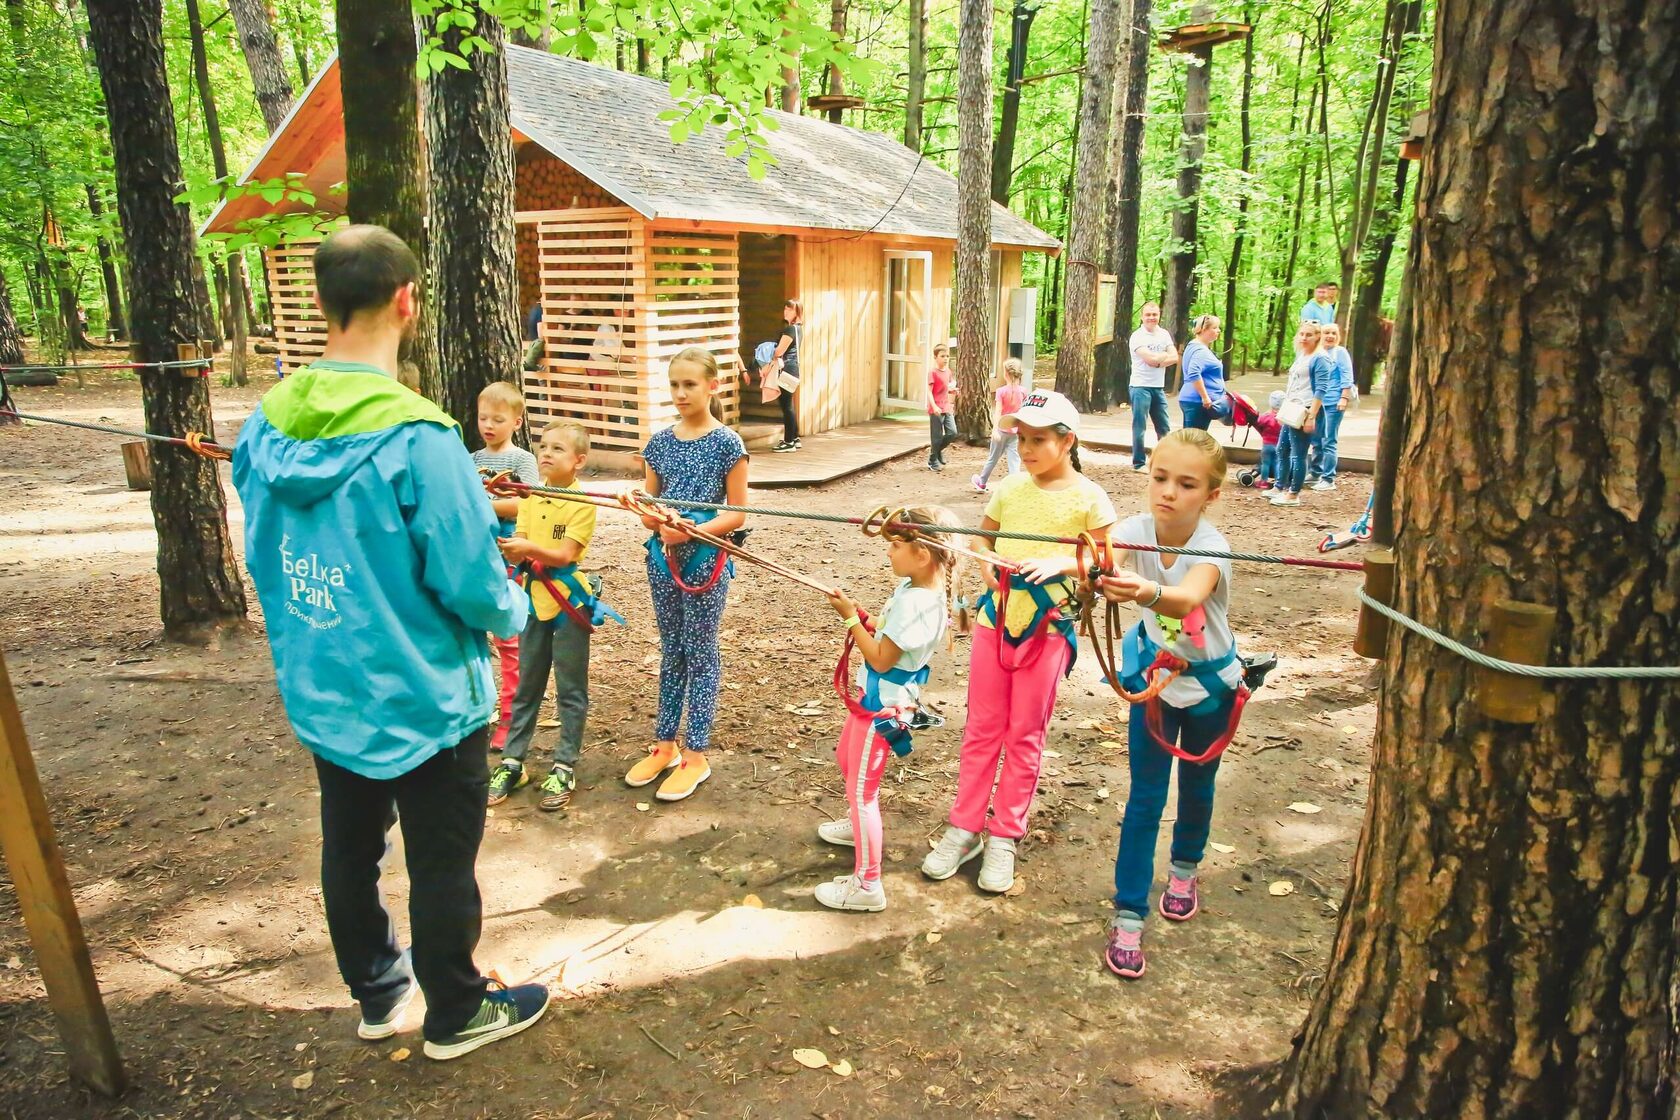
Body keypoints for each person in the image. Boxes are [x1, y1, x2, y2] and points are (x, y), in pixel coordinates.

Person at [232, 225, 548, 1061]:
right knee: (443, 859)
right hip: (428, 695)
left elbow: (267, 547)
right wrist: (512, 611)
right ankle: (454, 1009)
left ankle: (376, 994)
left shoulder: (265, 425)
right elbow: (474, 585)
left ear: (323, 302)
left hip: (327, 683)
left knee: (350, 846)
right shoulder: (421, 438)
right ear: (408, 300)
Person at [923, 389, 1116, 893]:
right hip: (996, 621)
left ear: (1067, 441)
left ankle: (1005, 833)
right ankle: (965, 827)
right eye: (1021, 439)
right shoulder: (1010, 488)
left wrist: (1061, 563)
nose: (1026, 449)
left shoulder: (1090, 498)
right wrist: (987, 563)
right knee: (982, 727)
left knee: (1025, 733)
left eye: (1037, 440)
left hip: (1048, 628)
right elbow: (985, 537)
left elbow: (1104, 560)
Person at [1098, 429, 1245, 980]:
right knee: (1144, 799)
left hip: (1210, 687)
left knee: (1198, 788)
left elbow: (1186, 597)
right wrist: (1048, 566)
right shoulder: (1136, 530)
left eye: (1186, 484)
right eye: (1160, 478)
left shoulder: (1213, 545)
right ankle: (1129, 913)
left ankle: (1184, 869)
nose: (1168, 492)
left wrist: (1141, 590)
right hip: (1157, 685)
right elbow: (1096, 557)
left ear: (1210, 495)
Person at [814, 506, 959, 911]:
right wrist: (863, 617)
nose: (889, 553)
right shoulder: (918, 591)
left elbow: (880, 658)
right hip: (874, 703)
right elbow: (889, 633)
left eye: (896, 546)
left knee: (863, 793)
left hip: (883, 710)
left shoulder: (917, 602)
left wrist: (849, 621)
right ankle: (855, 831)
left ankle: (867, 885)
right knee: (848, 761)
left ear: (923, 554)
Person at [625, 347, 750, 802]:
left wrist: (691, 531)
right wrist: (656, 521)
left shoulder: (727, 444)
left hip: (705, 563)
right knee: (671, 648)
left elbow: (736, 513)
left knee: (700, 650)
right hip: (662, 561)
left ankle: (696, 753)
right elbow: (648, 506)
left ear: (712, 386)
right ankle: (665, 743)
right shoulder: (658, 443)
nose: (680, 393)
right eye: (674, 384)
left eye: (690, 384)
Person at [489, 421, 604, 812]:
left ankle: (564, 764)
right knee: (528, 684)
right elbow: (521, 543)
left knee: (571, 688)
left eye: (558, 448)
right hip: (533, 598)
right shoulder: (532, 496)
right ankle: (513, 760)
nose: (547, 453)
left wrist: (527, 549)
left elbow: (567, 555)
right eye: (543, 445)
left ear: (579, 461)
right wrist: (513, 550)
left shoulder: (582, 503)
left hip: (568, 602)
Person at [470, 382, 540, 753]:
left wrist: (483, 505)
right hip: (476, 556)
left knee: (509, 641)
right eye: (484, 418)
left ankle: (511, 718)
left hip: (510, 557)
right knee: (473, 636)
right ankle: (479, 712)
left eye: (498, 419)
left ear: (516, 421)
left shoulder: (521, 461)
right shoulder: (470, 459)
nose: (489, 425)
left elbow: (527, 504)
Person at [1271, 322, 1325, 507]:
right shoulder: (1302, 355)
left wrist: (1312, 416)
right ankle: (1280, 486)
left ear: (1317, 336)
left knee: (1298, 454)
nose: (1304, 338)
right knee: (1282, 449)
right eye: (1301, 334)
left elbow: (1320, 389)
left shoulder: (1320, 358)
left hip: (1306, 409)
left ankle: (1293, 494)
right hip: (1292, 407)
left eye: (1309, 335)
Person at [1127, 302, 1178, 472]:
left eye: (1154, 315)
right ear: (1142, 317)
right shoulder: (1137, 336)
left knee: (1164, 426)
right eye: (1148, 315)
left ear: (1159, 316)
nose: (1151, 318)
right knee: (1140, 426)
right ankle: (1139, 462)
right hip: (1140, 386)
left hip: (1158, 387)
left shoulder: (1163, 334)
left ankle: (1166, 461)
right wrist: (1162, 357)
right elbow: (1150, 359)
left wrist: (1159, 359)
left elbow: (1175, 357)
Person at [1308, 323, 1356, 490]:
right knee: (1316, 439)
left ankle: (1328, 479)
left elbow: (1347, 376)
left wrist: (1344, 398)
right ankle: (1315, 472)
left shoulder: (1340, 352)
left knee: (1329, 439)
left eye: (1334, 333)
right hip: (1318, 402)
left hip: (1333, 401)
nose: (1330, 336)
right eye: (1326, 333)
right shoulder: (1318, 353)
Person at [972, 358, 1025, 493]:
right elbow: (1024, 412)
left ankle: (982, 482)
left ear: (1006, 374)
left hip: (1001, 431)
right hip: (1016, 432)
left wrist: (994, 429)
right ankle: (1014, 486)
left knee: (993, 458)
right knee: (1014, 460)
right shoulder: (1024, 392)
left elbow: (998, 412)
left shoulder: (1001, 391)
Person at [1177, 315, 1230, 430]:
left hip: (1193, 400)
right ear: (1203, 329)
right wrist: (1205, 397)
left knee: (1192, 439)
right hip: (1197, 402)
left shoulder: (1194, 346)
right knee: (1194, 442)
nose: (1218, 330)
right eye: (1215, 328)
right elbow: (1193, 373)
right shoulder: (1200, 350)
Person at [766, 298, 803, 453]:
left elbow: (779, 352)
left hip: (786, 369)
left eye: (790, 309)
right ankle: (794, 437)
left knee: (786, 405)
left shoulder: (789, 330)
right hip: (793, 369)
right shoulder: (798, 328)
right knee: (789, 405)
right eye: (785, 308)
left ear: (797, 312)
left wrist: (769, 352)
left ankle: (789, 442)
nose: (786, 311)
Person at [926, 343, 958, 471]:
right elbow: (929, 391)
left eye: (947, 356)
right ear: (935, 357)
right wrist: (934, 407)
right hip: (936, 409)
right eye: (942, 356)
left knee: (952, 432)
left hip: (946, 407)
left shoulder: (948, 372)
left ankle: (937, 452)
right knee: (937, 436)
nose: (945, 358)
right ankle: (932, 460)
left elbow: (947, 389)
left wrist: (953, 392)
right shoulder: (932, 372)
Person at [1253, 390, 1284, 490]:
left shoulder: (1266, 416)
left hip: (1267, 445)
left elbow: (1258, 422)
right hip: (1278, 445)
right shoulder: (1283, 419)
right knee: (1276, 463)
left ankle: (1263, 482)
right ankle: (1278, 482)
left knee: (1265, 463)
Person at [522, 302, 544, 372]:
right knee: (543, 373)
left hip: (532, 345)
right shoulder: (540, 311)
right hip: (538, 349)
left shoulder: (534, 309)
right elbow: (540, 333)